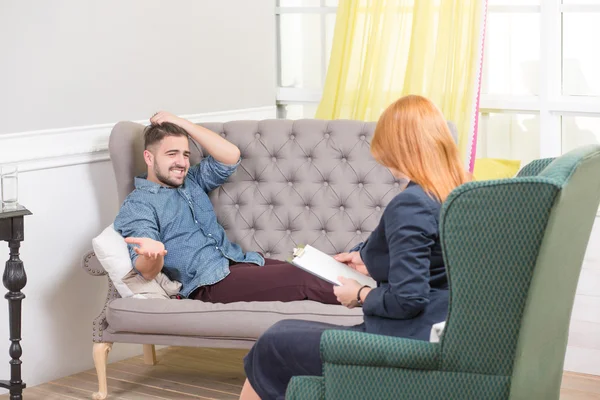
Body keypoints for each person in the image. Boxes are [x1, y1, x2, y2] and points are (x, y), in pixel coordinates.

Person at [239, 95, 471, 400]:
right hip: (441, 329)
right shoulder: (458, 192)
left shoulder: (411, 203)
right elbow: (434, 265)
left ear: (401, 148)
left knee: (273, 342)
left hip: (403, 340)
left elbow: (409, 299)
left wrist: (360, 295)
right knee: (281, 334)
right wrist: (366, 259)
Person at [114, 111, 337, 304]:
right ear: (149, 158)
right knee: (303, 277)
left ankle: (367, 292)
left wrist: (183, 124)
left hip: (237, 262)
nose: (181, 162)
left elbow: (230, 157)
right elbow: (145, 270)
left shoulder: (191, 180)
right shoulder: (139, 205)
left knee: (314, 266)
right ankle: (368, 302)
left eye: (185, 154)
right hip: (208, 284)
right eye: (172, 154)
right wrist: (153, 256)